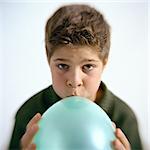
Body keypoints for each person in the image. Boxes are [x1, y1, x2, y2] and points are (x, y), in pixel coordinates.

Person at [9, 4, 142, 150]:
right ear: (48, 60)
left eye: (88, 66)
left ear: (104, 63)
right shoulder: (28, 114)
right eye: (62, 66)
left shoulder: (124, 118)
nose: (74, 81)